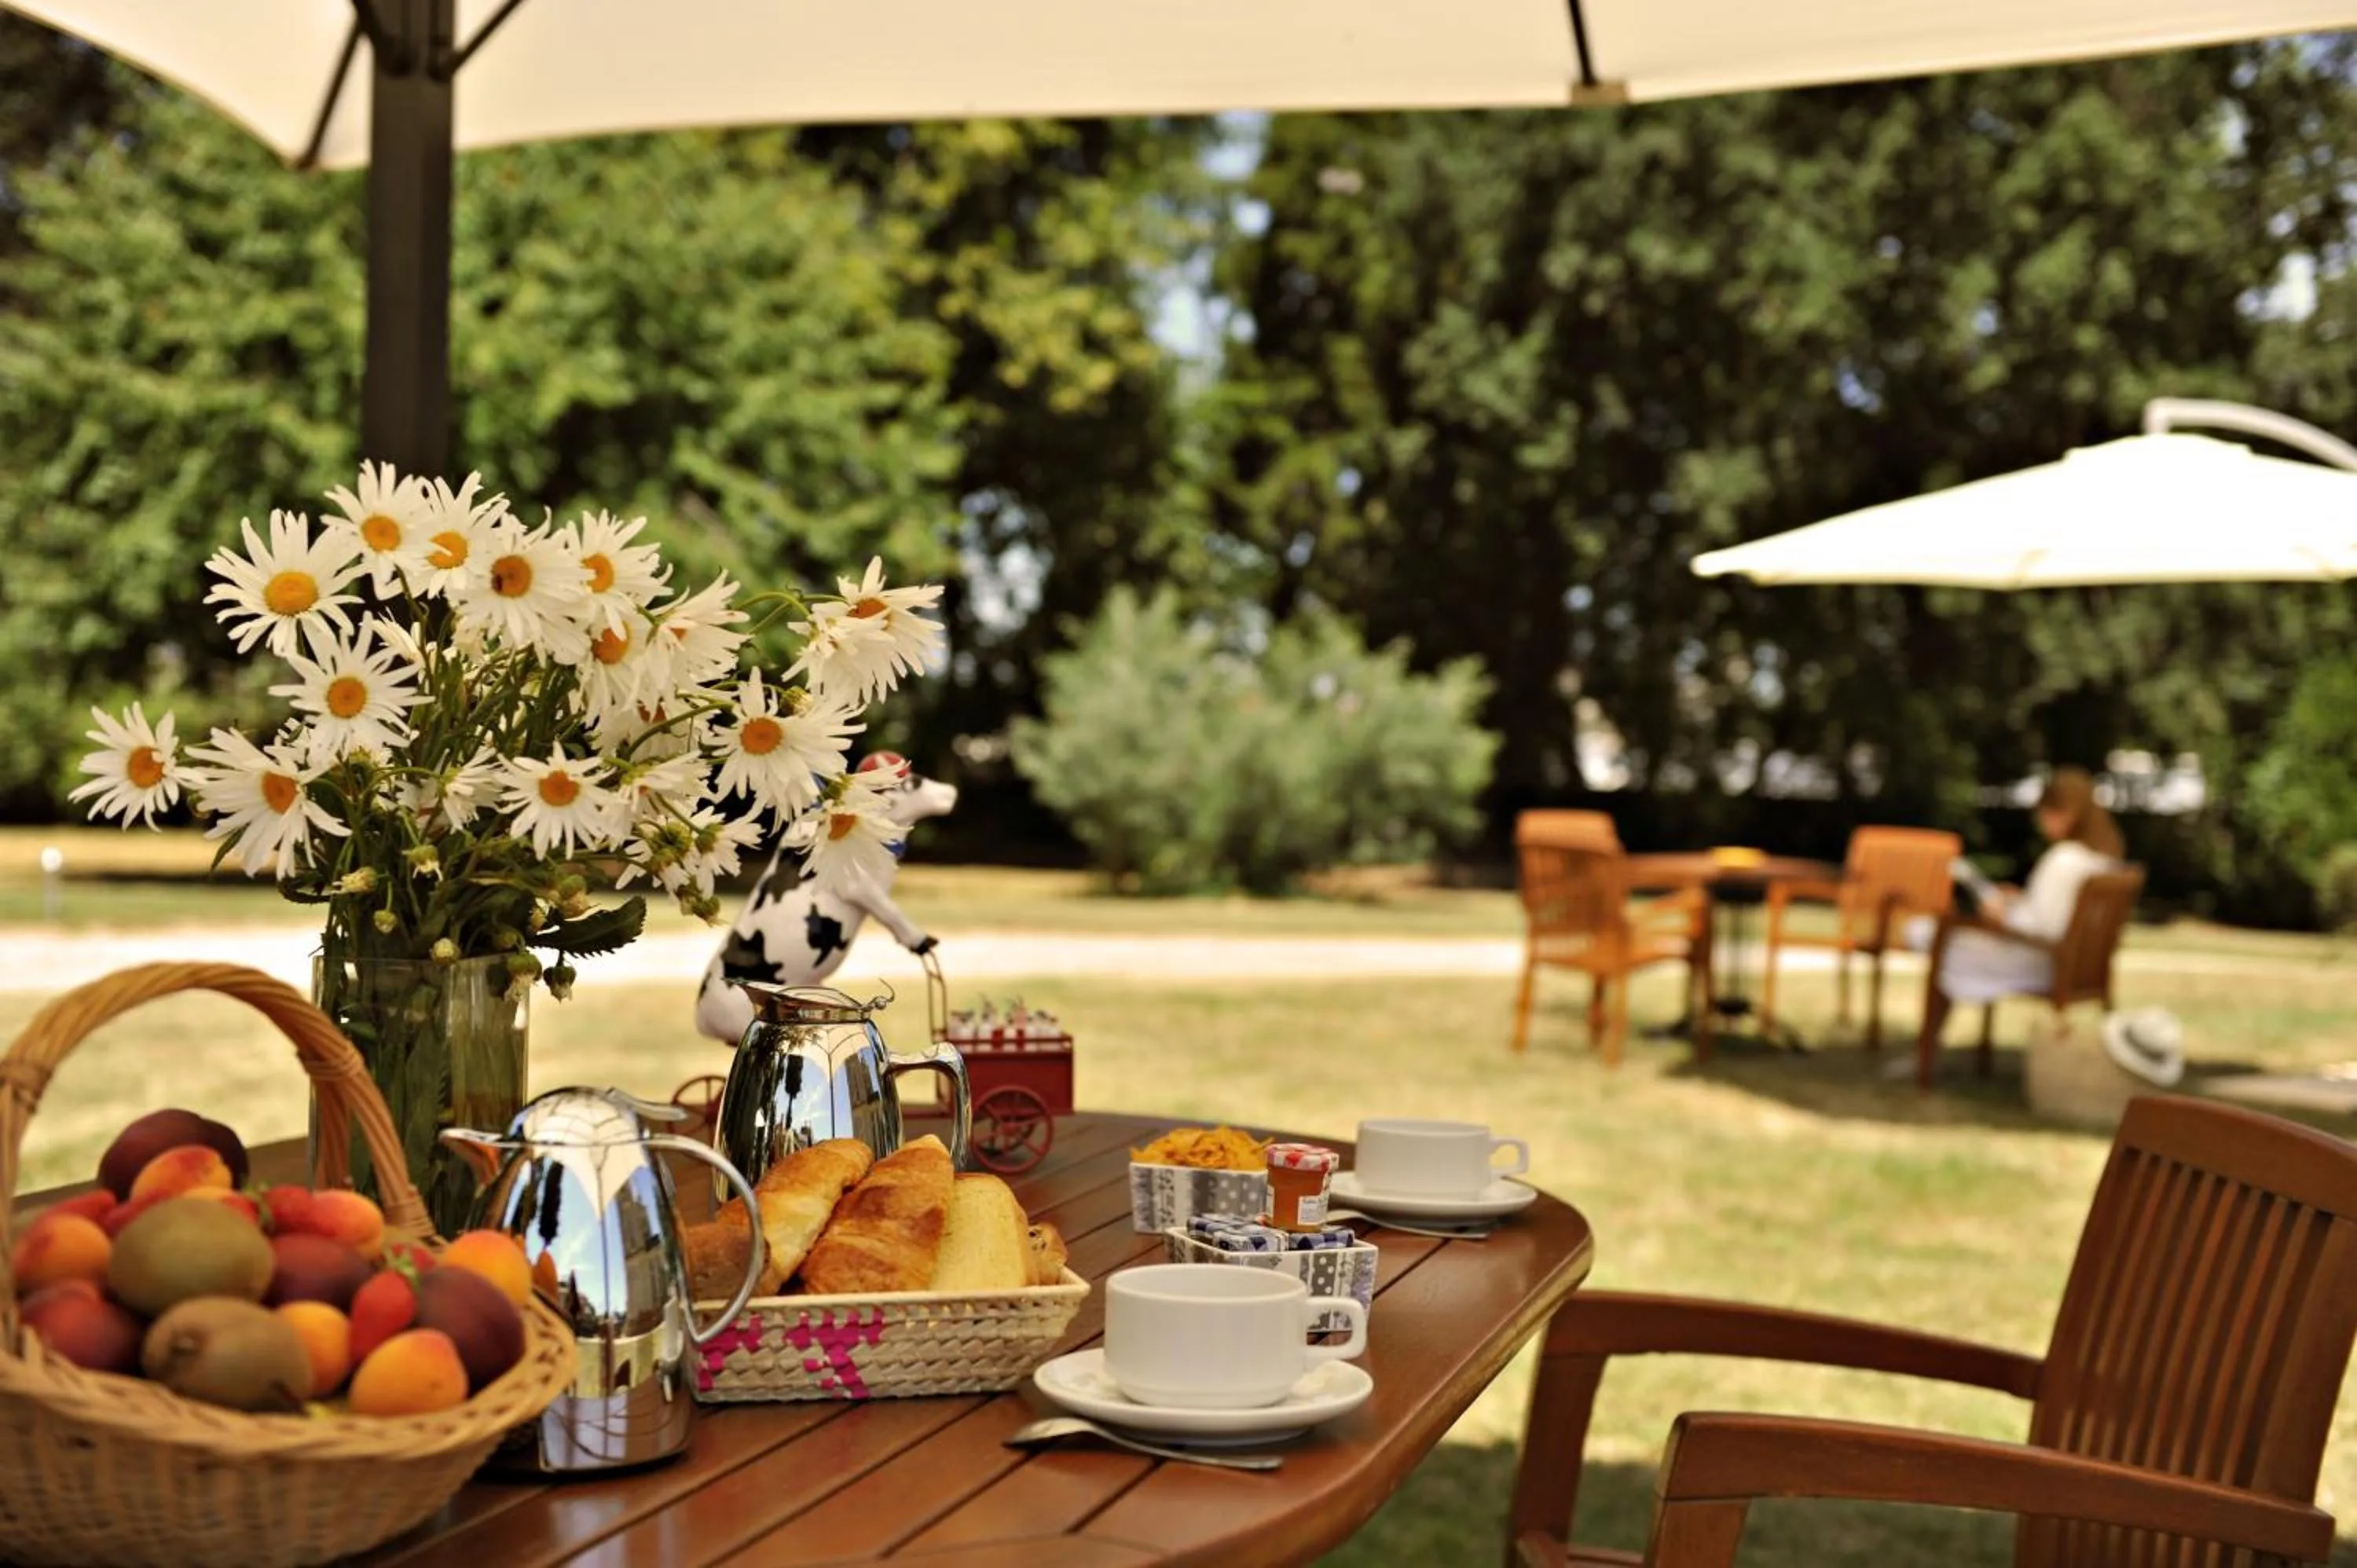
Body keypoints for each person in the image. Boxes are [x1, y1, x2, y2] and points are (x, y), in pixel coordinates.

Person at [1912, 767, 2124, 1034]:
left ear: (2067, 813)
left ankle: (1927, 1045)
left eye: (2045, 812)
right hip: (2069, 965)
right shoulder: (2102, 861)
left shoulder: (2064, 859)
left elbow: (2039, 928)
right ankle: (1930, 1043)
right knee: (1941, 941)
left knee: (1934, 936)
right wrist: (2020, 901)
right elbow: (2058, 915)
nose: (2040, 821)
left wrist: (2000, 912)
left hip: (2041, 963)